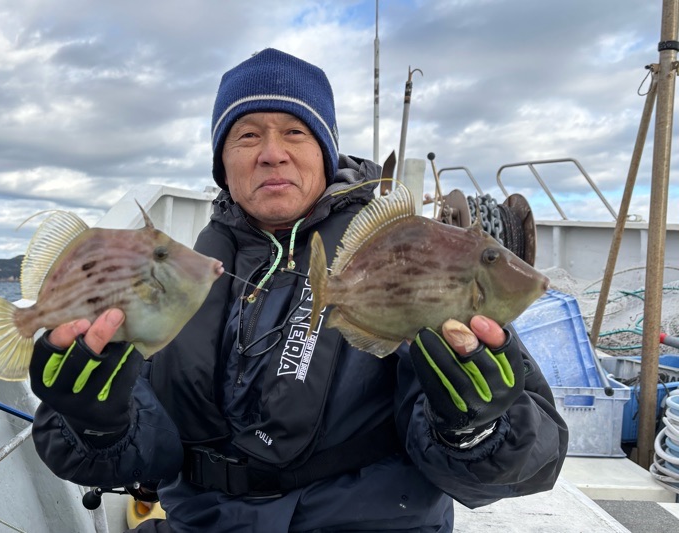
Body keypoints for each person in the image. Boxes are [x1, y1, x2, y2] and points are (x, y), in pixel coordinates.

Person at [29, 48, 569, 532]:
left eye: (295, 132)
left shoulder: (401, 260)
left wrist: (474, 429)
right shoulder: (179, 274)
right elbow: (138, 455)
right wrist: (96, 425)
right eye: (247, 135)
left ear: (324, 151)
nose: (272, 153)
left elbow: (534, 457)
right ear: (223, 164)